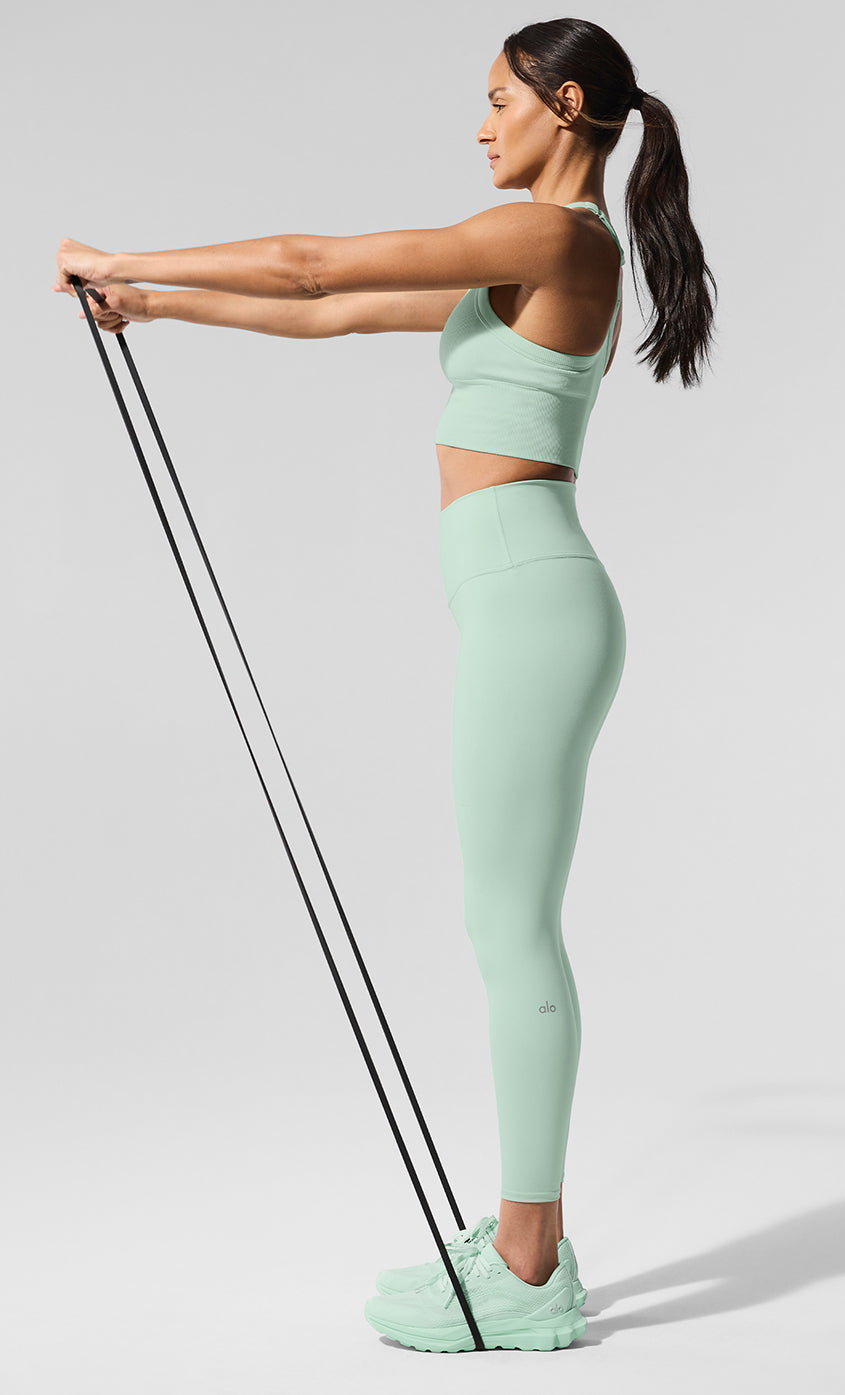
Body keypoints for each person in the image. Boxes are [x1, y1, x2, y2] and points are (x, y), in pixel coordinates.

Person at [54, 16, 716, 1355]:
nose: (480, 125)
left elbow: (316, 261)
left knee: (508, 929)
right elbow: (333, 310)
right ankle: (525, 1240)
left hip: (534, 601)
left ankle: (527, 1268)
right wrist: (158, 307)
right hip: (521, 597)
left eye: (497, 100)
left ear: (564, 106)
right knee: (504, 922)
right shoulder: (528, 257)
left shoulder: (555, 239)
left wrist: (125, 257)